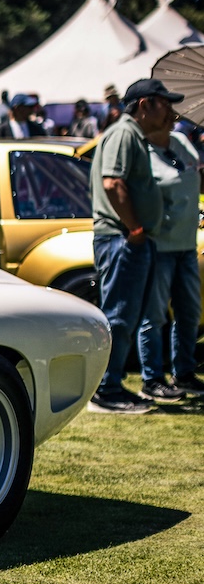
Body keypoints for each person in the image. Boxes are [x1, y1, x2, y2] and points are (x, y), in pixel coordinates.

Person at [86, 78, 179, 414]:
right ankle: (106, 390)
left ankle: (113, 385)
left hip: (126, 240)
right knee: (119, 318)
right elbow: (113, 183)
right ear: (144, 105)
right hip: (121, 240)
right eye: (164, 104)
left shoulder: (132, 135)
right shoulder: (124, 134)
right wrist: (135, 228)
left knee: (126, 317)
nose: (170, 110)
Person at [135, 99, 203, 402]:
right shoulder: (141, 151)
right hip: (158, 247)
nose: (174, 115)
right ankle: (151, 379)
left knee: (189, 313)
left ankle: (184, 373)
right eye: (168, 110)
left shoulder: (181, 142)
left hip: (187, 245)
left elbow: (193, 177)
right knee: (154, 315)